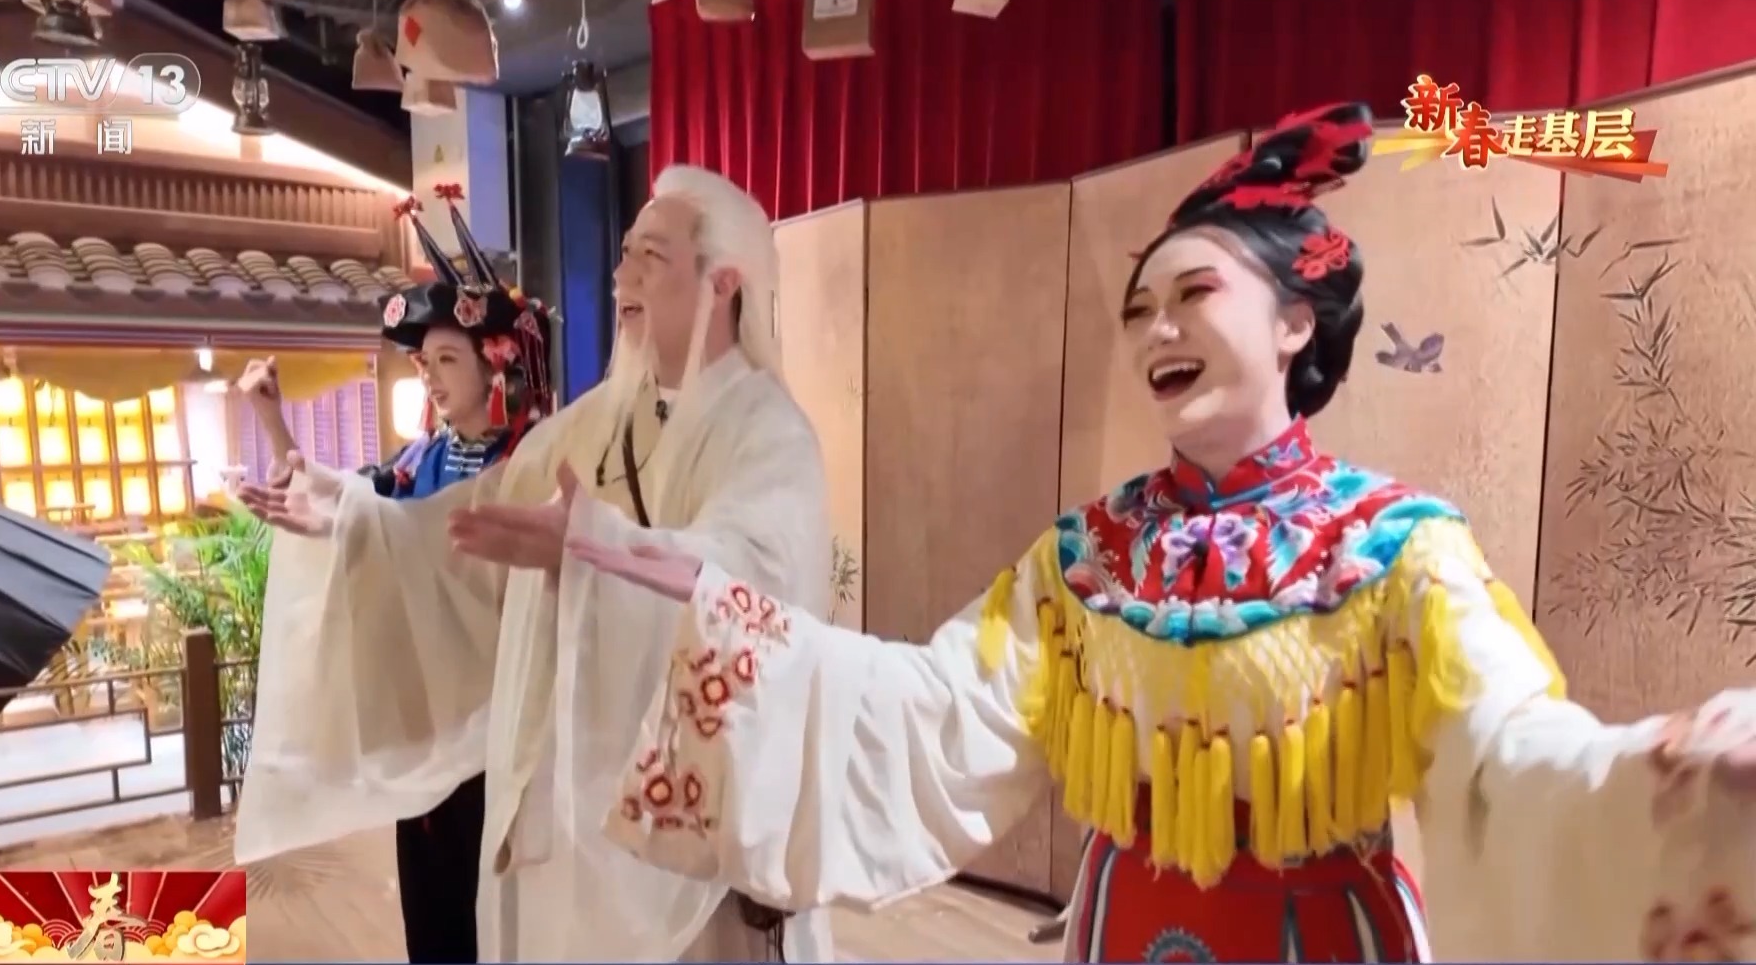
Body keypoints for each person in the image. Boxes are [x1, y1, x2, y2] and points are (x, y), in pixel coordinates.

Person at [553, 103, 1756, 962]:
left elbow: (1512, 755)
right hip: (1125, 926)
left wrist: (1685, 774)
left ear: (1294, 323)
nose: (1157, 330)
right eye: (1140, 308)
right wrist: (706, 593)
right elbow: (932, 704)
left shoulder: (1397, 549)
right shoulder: (1090, 559)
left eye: (1194, 294)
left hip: (1319, 936)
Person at [236, 164, 836, 961]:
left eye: (650, 257)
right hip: (573, 820)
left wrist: (600, 553)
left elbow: (753, 579)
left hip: (686, 834)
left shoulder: (768, 431)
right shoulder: (591, 426)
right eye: (624, 254)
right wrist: (353, 518)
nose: (621, 276)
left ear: (723, 280)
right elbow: (470, 532)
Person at [231, 184, 553, 965]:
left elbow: (383, 528)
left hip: (509, 732)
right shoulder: (422, 461)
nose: (431, 378)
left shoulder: (537, 462)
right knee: (435, 919)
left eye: (447, 359)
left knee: (508, 923)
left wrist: (355, 523)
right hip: (429, 728)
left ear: (498, 362)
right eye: (424, 362)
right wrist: (273, 420)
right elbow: (354, 510)